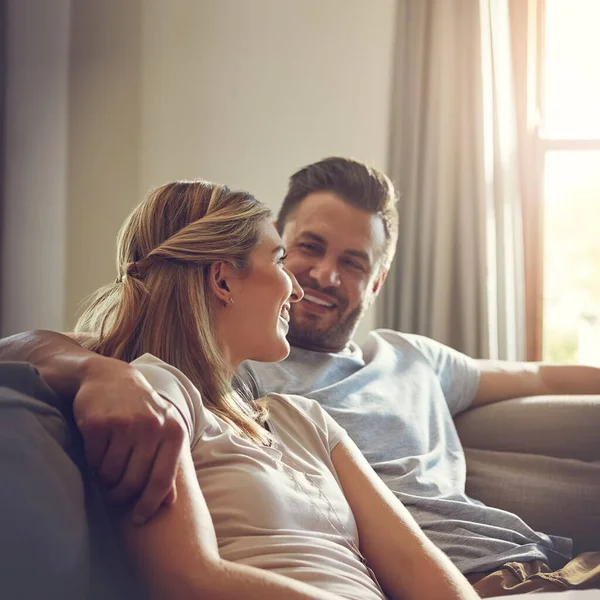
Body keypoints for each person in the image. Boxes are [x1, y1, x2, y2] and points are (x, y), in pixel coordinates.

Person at [2, 157, 600, 596]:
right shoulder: (176, 387)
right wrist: (96, 371)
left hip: (555, 564)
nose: (311, 278)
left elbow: (538, 375)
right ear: (224, 278)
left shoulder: (354, 389)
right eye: (292, 255)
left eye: (352, 262)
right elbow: (32, 349)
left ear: (376, 282)